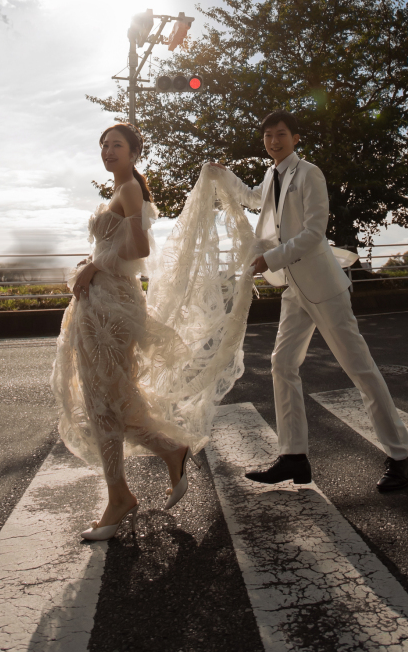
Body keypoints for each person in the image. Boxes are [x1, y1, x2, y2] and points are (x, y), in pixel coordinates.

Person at [51, 123, 256, 540]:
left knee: (105, 401)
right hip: (102, 303)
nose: (108, 151)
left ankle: (122, 494)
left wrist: (95, 264)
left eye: (116, 145)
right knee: (109, 400)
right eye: (104, 145)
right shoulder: (122, 190)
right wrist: (94, 264)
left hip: (112, 307)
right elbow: (120, 245)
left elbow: (140, 248)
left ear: (133, 153)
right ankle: (161, 459)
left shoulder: (129, 189)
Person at [208, 111, 408, 492]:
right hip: (294, 289)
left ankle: (401, 453)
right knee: (282, 364)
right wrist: (224, 176)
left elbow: (313, 232)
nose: (274, 141)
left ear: (296, 137)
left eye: (281, 134)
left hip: (324, 287)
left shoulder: (309, 173)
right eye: (268, 136)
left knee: (360, 369)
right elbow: (253, 198)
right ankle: (294, 456)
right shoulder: (271, 176)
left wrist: (270, 259)